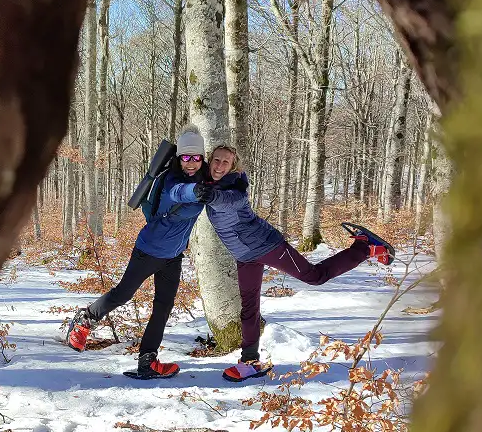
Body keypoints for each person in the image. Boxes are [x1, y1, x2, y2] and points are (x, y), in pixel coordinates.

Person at [197, 145, 394, 382]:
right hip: (244, 256)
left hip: (268, 245)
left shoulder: (235, 188)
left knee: (314, 277)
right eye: (216, 160)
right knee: (249, 307)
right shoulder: (208, 182)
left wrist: (211, 195)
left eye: (225, 162)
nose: (219, 166)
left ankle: (365, 247)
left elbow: (226, 201)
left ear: (233, 166)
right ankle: (250, 361)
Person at [65, 126, 210, 379]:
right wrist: (196, 192)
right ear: (178, 158)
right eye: (185, 157)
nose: (190, 163)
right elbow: (179, 192)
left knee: (163, 307)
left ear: (202, 157)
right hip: (149, 250)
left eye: (195, 157)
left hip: (173, 256)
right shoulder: (171, 179)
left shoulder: (206, 177)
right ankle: (85, 319)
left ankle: (148, 360)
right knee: (123, 294)